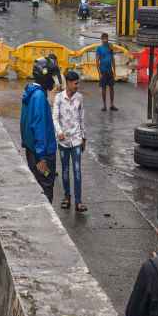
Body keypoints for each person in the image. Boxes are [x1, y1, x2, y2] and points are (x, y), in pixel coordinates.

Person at [20, 56, 61, 202]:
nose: (53, 80)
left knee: (40, 188)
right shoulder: (39, 98)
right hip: (42, 155)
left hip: (34, 151)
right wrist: (41, 157)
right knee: (46, 189)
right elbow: (39, 128)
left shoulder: (31, 93)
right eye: (51, 76)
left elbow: (25, 125)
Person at [52, 69, 87, 213]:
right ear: (68, 83)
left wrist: (84, 137)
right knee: (65, 170)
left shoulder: (79, 98)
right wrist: (59, 132)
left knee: (77, 171)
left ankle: (78, 202)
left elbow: (82, 118)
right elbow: (54, 117)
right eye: (75, 83)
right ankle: (67, 197)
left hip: (77, 140)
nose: (77, 86)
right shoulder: (59, 98)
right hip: (63, 141)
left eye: (78, 83)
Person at [95, 32, 117, 111]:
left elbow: (113, 59)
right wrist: (99, 73)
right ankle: (104, 105)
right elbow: (97, 61)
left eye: (106, 38)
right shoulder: (99, 48)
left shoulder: (110, 47)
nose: (105, 40)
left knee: (112, 88)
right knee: (103, 88)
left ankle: (112, 104)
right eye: (103, 38)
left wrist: (114, 71)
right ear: (101, 39)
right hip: (103, 71)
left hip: (109, 70)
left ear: (108, 39)